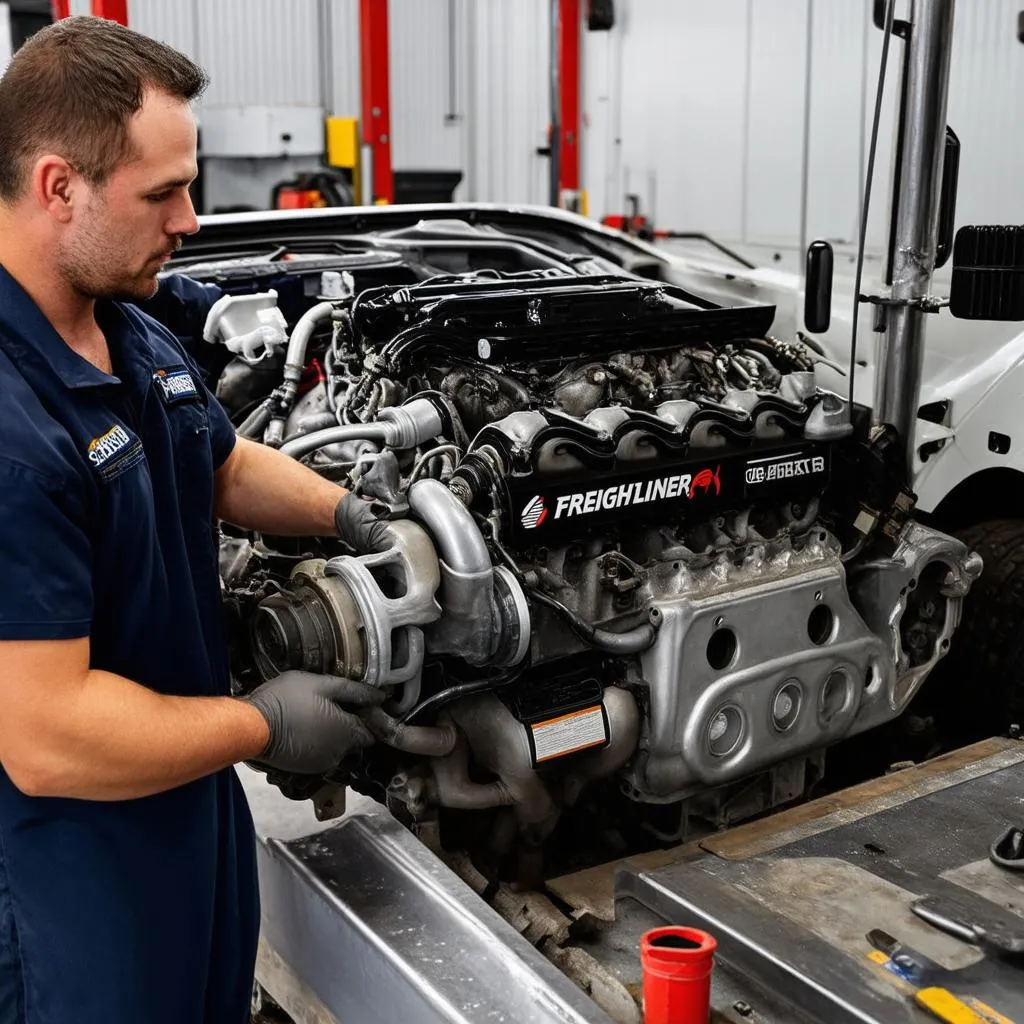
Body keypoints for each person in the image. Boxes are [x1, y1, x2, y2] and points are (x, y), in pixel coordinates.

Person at [0, 17, 390, 1024]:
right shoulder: (9, 427)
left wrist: (355, 515)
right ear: (58, 187)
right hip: (70, 868)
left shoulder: (123, 320)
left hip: (187, 807)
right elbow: (45, 736)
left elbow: (215, 461)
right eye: (163, 192)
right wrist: (262, 722)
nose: (191, 219)